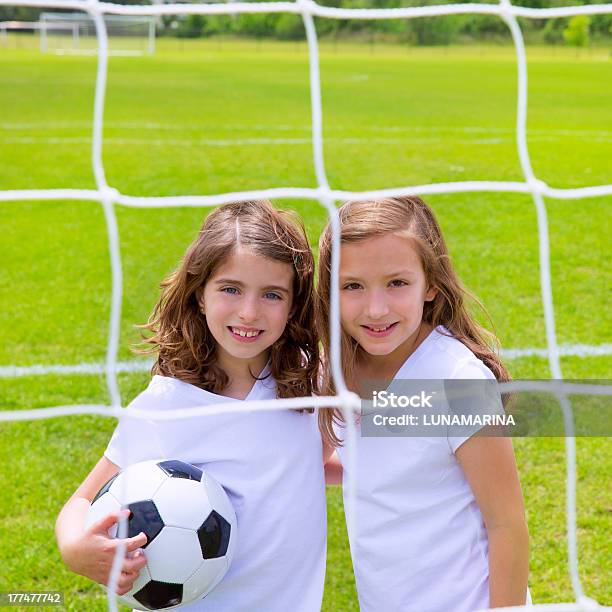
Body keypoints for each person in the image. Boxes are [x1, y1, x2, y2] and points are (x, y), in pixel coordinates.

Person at [55, 200, 326, 612]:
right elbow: (81, 501)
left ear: (293, 306)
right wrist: (75, 547)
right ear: (200, 294)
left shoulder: (310, 382)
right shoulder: (162, 408)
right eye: (230, 289)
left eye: (272, 294)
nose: (249, 312)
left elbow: (313, 461)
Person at [317, 196, 529, 611]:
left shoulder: (458, 382)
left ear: (430, 283)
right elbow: (327, 462)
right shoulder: (336, 368)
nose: (376, 309)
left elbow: (507, 526)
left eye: (397, 283)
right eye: (352, 286)